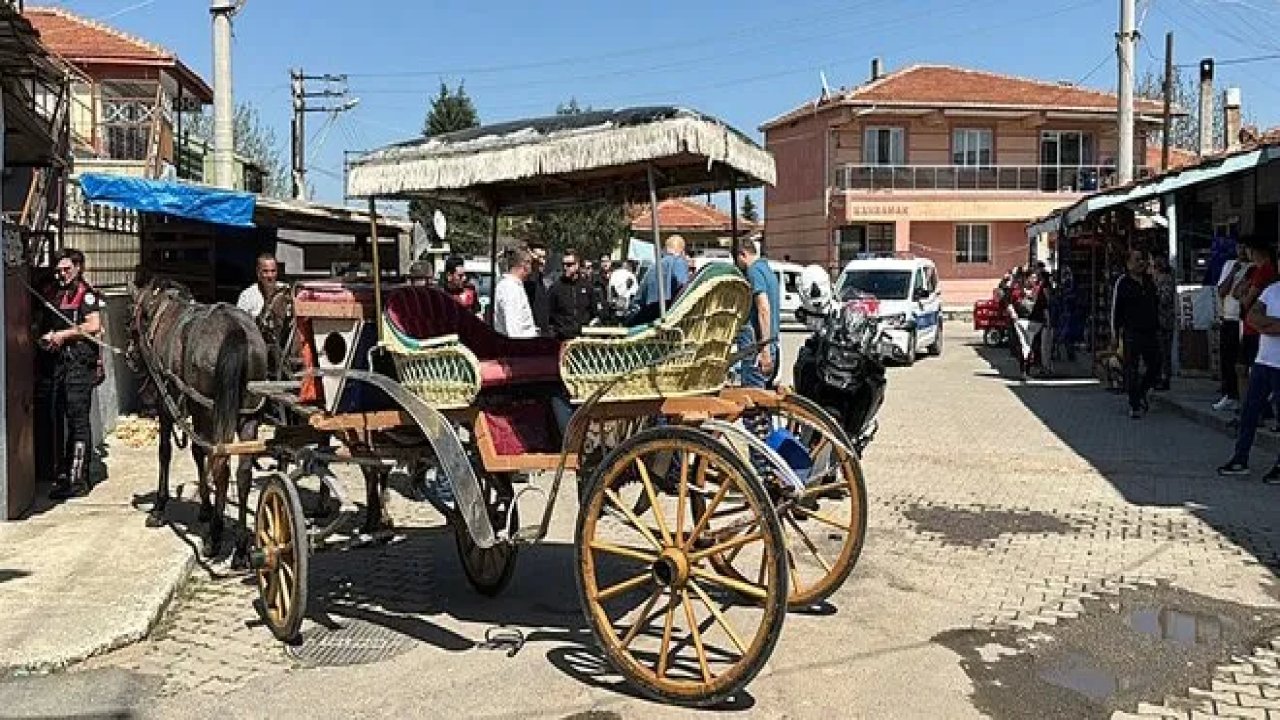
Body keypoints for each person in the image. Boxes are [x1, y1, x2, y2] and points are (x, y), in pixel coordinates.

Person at [35, 249, 103, 500]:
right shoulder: (57, 293)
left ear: (78, 268)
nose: (61, 274)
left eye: (66, 269)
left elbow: (94, 325)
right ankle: (66, 473)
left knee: (78, 421)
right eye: (59, 270)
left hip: (79, 366)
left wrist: (62, 336)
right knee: (62, 419)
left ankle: (79, 479)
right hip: (60, 366)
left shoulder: (86, 295)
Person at [1217, 270, 1280, 484]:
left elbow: (1259, 320)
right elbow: (1252, 316)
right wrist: (1272, 324)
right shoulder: (1271, 291)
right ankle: (1240, 458)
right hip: (1263, 362)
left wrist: (1265, 324)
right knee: (1249, 412)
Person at [1111, 250, 1162, 419]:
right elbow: (1116, 310)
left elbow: (1156, 302)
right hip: (1131, 331)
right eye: (1137, 259)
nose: (1141, 262)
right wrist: (1115, 333)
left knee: (1155, 366)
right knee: (1131, 369)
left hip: (1150, 331)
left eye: (1142, 259)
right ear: (1128, 264)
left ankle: (1141, 392)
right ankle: (1134, 404)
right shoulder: (1123, 283)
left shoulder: (1149, 281)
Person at [733, 235, 781, 389]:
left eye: (736, 259)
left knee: (753, 400)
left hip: (757, 348)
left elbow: (763, 309)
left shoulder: (753, 272)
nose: (736, 264)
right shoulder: (766, 269)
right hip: (769, 344)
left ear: (743, 255)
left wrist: (764, 349)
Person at [1214, 243, 1252, 411]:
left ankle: (1242, 395)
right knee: (1227, 358)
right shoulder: (1229, 265)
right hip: (1229, 317)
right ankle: (1229, 393)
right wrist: (1233, 272)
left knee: (1241, 360)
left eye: (1246, 247)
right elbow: (1222, 291)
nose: (1242, 251)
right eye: (1239, 247)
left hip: (1244, 320)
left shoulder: (1253, 268)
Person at [548, 249, 594, 340]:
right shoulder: (556, 288)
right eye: (563, 265)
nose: (566, 268)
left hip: (583, 337)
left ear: (577, 265)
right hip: (562, 337)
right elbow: (550, 313)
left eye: (569, 265)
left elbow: (593, 310)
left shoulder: (587, 286)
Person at [637, 234, 690, 310]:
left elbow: (640, 295)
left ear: (665, 249)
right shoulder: (678, 262)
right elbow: (683, 289)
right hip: (668, 312)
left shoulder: (653, 267)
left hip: (648, 312)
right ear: (682, 252)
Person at [494, 248, 539, 339]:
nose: (532, 268)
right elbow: (514, 327)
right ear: (524, 265)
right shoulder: (510, 288)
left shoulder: (514, 286)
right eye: (531, 264)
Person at [1153, 256, 1178, 391]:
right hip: (1158, 320)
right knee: (1159, 351)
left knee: (1164, 351)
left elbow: (1165, 298)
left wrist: (1154, 294)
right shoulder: (1157, 278)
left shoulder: (1166, 279)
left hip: (1164, 320)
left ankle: (1164, 377)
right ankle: (1159, 376)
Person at [236, 253, 280, 319]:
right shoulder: (247, 296)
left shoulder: (285, 291)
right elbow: (239, 322)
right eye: (265, 271)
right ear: (258, 273)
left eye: (273, 271)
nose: (270, 275)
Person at [524, 243, 552, 335]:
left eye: (544, 258)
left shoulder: (545, 282)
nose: (543, 262)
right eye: (539, 257)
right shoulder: (524, 283)